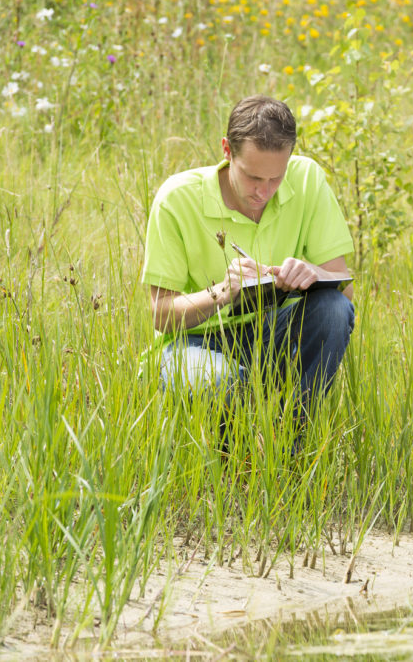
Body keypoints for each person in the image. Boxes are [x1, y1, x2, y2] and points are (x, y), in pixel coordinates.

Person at [140, 94, 355, 432]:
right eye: (254, 177)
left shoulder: (308, 178)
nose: (264, 192)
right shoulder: (177, 198)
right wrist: (222, 292)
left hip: (275, 331)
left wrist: (316, 274)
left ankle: (288, 437)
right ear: (227, 150)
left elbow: (346, 292)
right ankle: (239, 452)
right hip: (196, 343)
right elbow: (160, 314)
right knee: (217, 381)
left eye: (276, 178)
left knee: (333, 308)